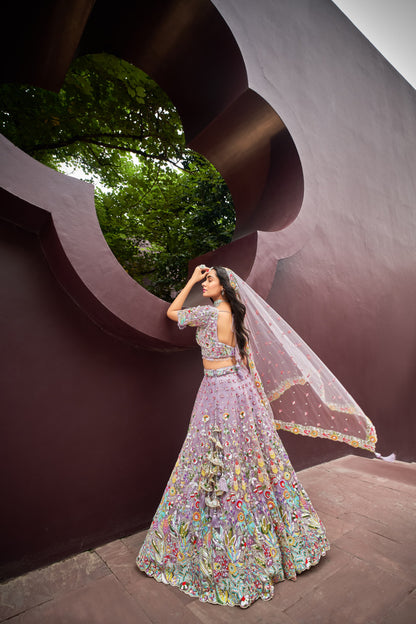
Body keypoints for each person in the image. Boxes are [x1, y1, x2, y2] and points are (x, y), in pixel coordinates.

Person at [136, 265, 378, 608]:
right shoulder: (237, 315)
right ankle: (274, 540)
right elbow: (243, 359)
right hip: (240, 389)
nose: (205, 284)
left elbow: (172, 312)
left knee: (212, 459)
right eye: (203, 280)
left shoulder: (206, 314)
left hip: (217, 393)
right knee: (247, 460)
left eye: (210, 280)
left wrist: (189, 279)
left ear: (223, 286)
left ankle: (228, 540)